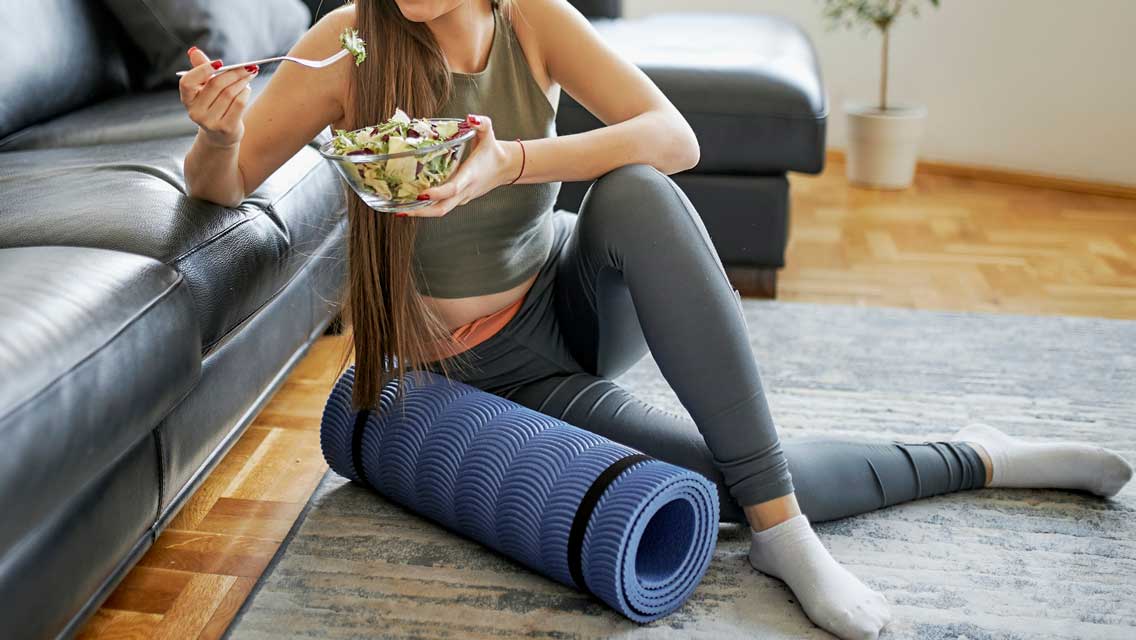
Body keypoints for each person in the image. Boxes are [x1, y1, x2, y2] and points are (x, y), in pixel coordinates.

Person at [179, 1, 1133, 637]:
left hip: (570, 303)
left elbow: (674, 136)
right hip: (472, 373)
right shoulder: (348, 40)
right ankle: (977, 454)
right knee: (719, 480)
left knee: (636, 188)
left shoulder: (535, 19)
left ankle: (785, 532)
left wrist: (511, 160)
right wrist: (217, 135)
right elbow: (225, 182)